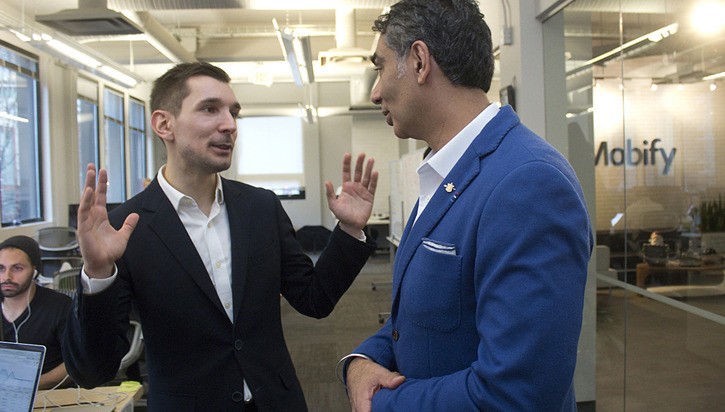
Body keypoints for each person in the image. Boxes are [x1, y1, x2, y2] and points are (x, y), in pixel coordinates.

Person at [62, 62, 379, 411]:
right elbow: (94, 370)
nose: (229, 124)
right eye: (210, 109)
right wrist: (97, 275)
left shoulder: (260, 207)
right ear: (164, 124)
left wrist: (349, 230)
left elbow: (314, 298)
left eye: (233, 112)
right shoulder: (125, 227)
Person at [339, 1, 592, 410]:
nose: (374, 91)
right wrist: (362, 362)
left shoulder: (528, 183)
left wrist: (379, 404)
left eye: (380, 67)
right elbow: (426, 319)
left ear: (420, 62)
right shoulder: (445, 172)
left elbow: (516, 394)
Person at [1, 235, 72, 390]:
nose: (7, 277)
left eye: (17, 268)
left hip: (50, 396)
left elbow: (75, 362)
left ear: (34, 270)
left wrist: (29, 386)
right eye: (1, 268)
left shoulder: (59, 306)